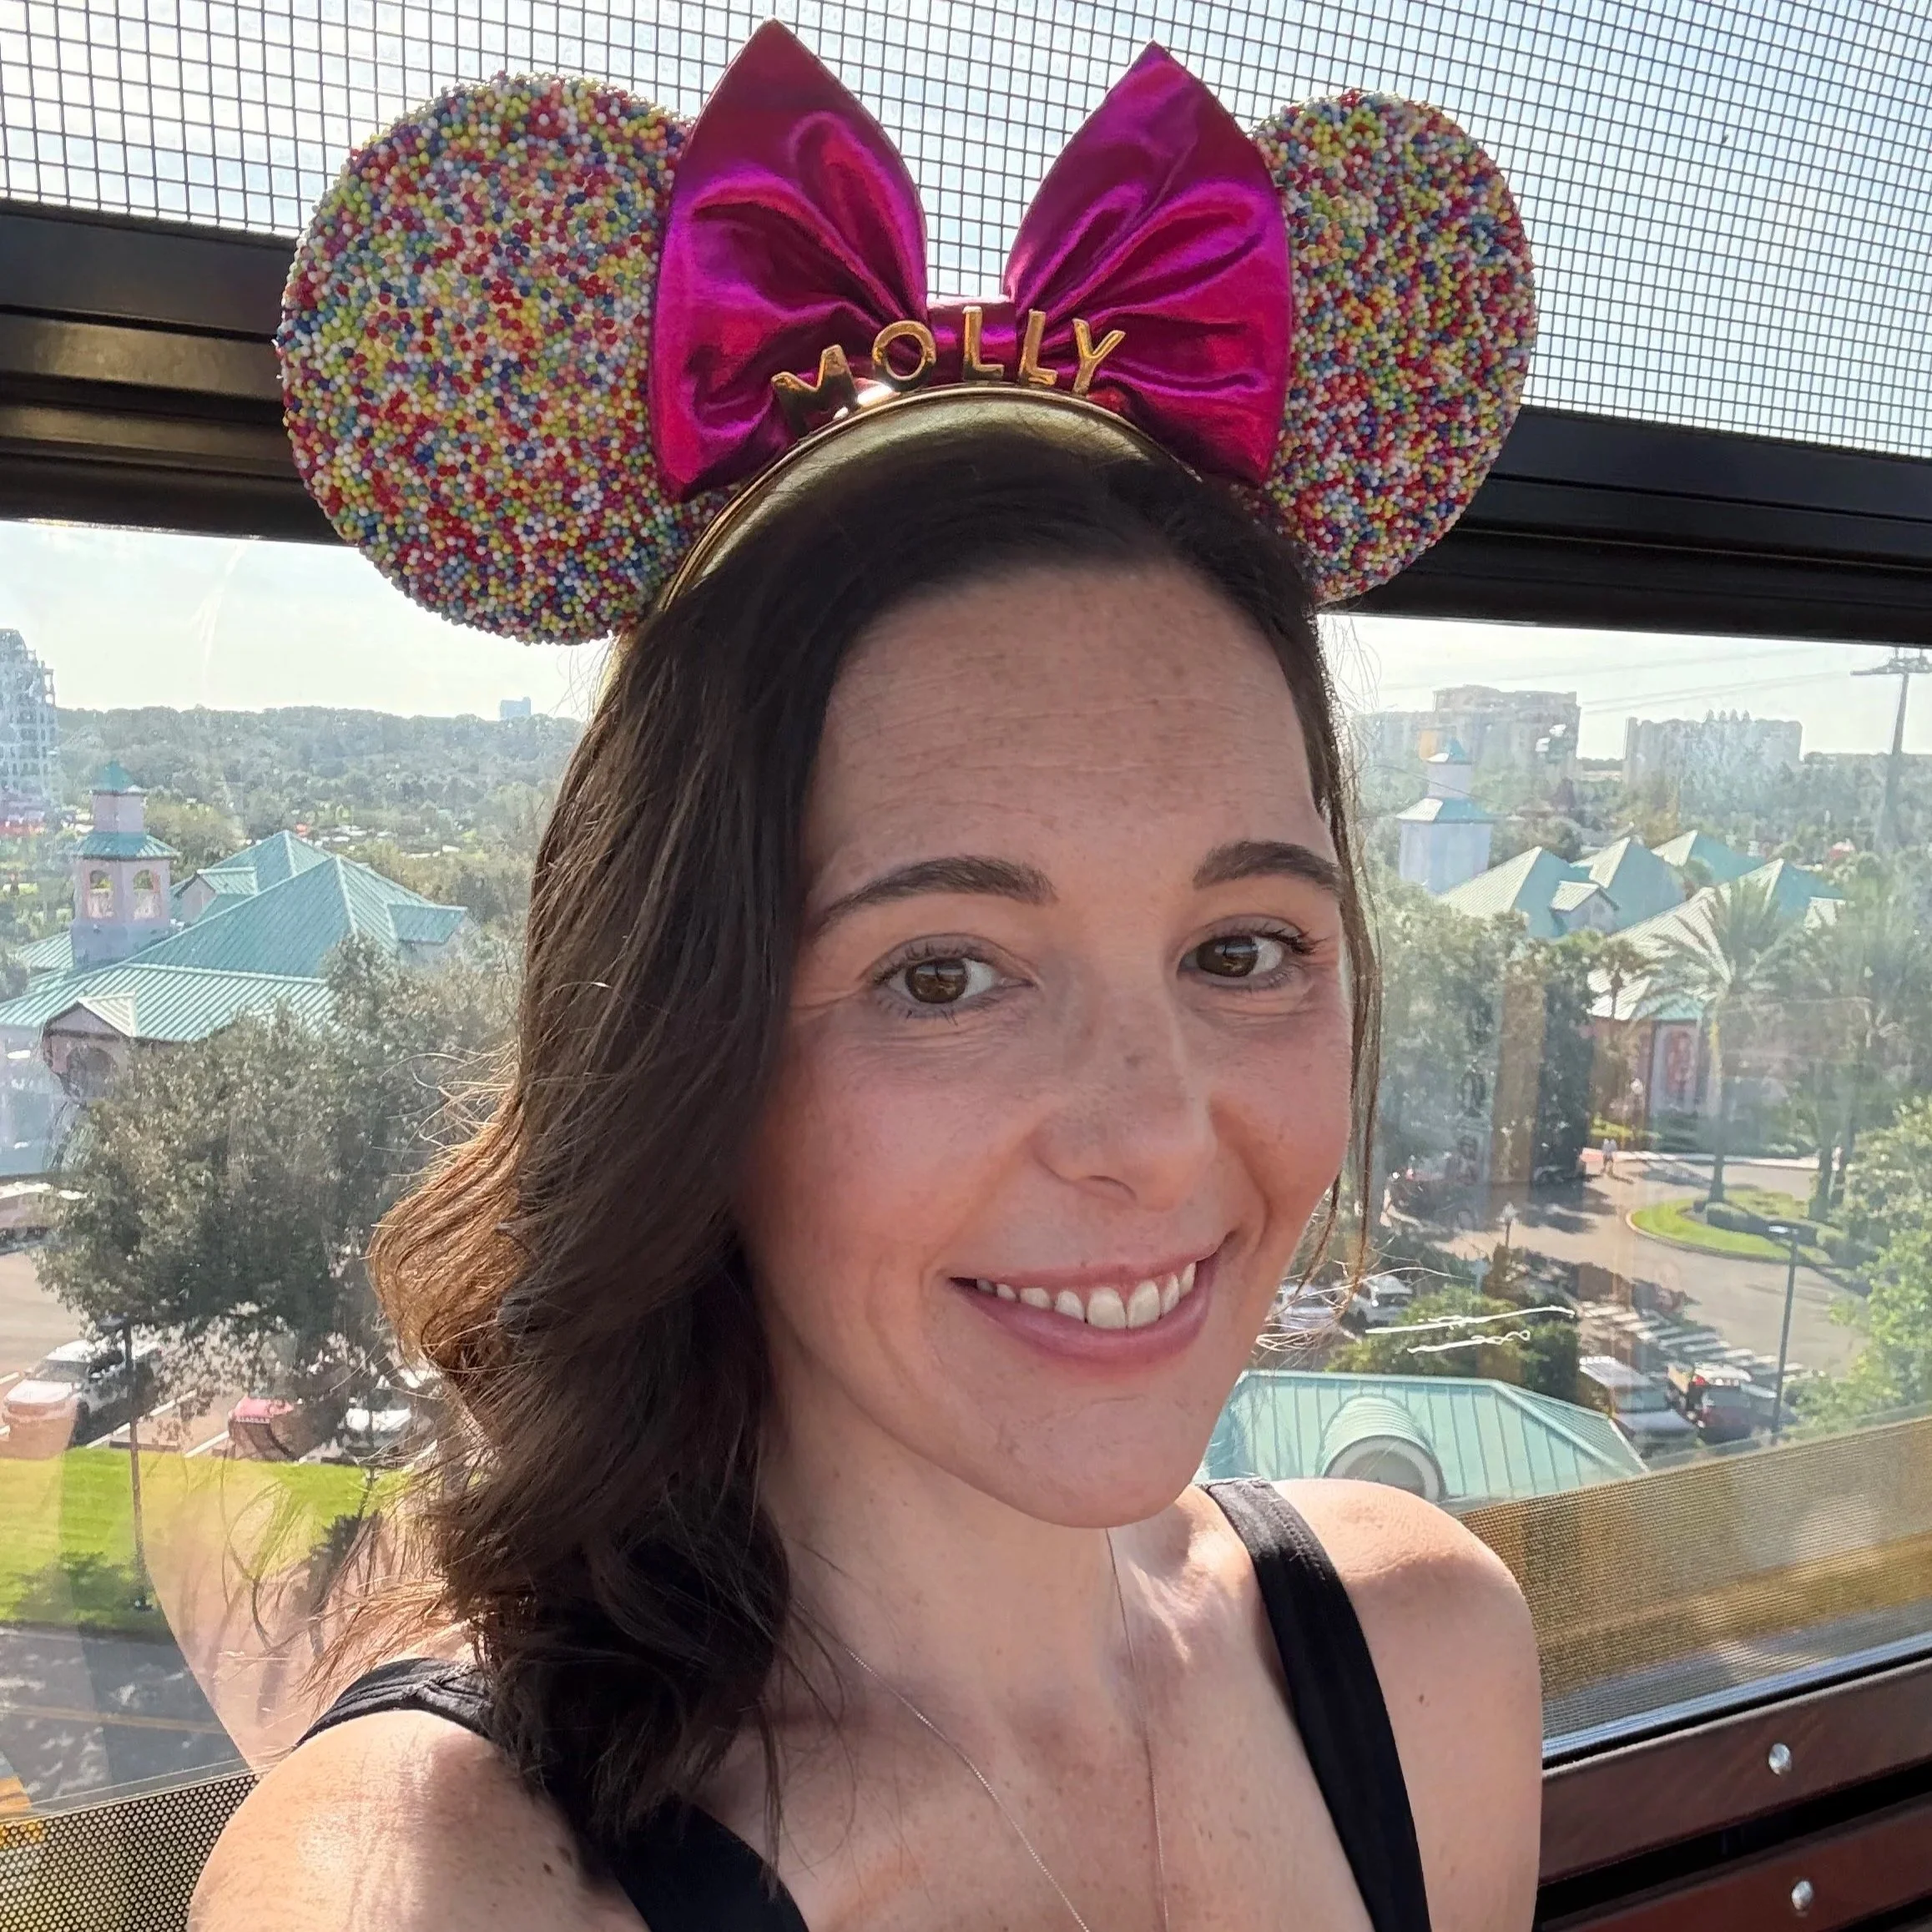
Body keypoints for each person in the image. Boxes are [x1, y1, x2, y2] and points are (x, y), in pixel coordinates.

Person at [196, 26, 1542, 1931]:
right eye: (941, 973)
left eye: (1243, 947)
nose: (1157, 1137)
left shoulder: (1426, 1665)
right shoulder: (444, 1888)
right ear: (681, 1037)